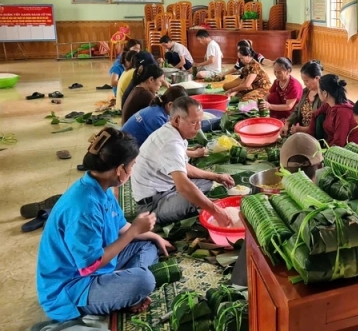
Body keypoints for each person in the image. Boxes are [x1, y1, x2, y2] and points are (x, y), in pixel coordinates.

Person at [36, 127, 173, 322]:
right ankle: (125, 288)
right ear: (119, 170)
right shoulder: (84, 208)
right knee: (144, 281)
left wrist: (154, 235)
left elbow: (121, 228)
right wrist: (134, 229)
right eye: (132, 165)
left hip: (99, 265)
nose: (132, 171)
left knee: (147, 246)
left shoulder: (102, 187)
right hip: (72, 287)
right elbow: (90, 265)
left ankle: (121, 285)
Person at [229, 133, 323, 287]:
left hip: (254, 287)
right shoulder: (327, 206)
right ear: (321, 167)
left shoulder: (267, 211)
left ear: (280, 171)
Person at [131, 96, 234, 225]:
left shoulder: (174, 132)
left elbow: (184, 167)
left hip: (168, 189)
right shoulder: (170, 143)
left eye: (200, 121)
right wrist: (216, 211)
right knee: (194, 197)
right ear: (176, 120)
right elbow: (183, 187)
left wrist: (216, 177)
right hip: (152, 205)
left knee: (207, 183)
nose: (198, 127)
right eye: (193, 122)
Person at [298, 74, 358, 147]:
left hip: (346, 151)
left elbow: (339, 143)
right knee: (319, 117)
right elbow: (315, 114)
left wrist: (321, 152)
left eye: (318, 89)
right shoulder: (329, 104)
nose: (317, 92)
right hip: (331, 143)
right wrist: (311, 140)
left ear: (325, 93)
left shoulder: (343, 113)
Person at [122, 86, 189, 146]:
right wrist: (195, 153)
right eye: (181, 109)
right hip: (126, 152)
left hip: (126, 144)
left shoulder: (158, 108)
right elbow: (167, 146)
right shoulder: (157, 118)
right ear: (170, 105)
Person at [282, 60, 324, 136]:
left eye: (306, 81)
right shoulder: (306, 92)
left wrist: (302, 130)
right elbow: (297, 110)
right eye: (304, 81)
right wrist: (287, 124)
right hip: (302, 131)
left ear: (317, 78)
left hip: (316, 136)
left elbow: (321, 123)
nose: (305, 84)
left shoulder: (324, 96)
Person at [261, 57, 302, 121]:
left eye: (279, 72)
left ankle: (283, 119)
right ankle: (276, 118)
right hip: (281, 107)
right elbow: (268, 94)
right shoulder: (277, 81)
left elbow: (289, 106)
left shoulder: (294, 86)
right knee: (272, 96)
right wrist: (263, 102)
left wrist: (269, 106)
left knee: (284, 126)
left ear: (288, 71)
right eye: (275, 72)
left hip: (292, 112)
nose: (276, 74)